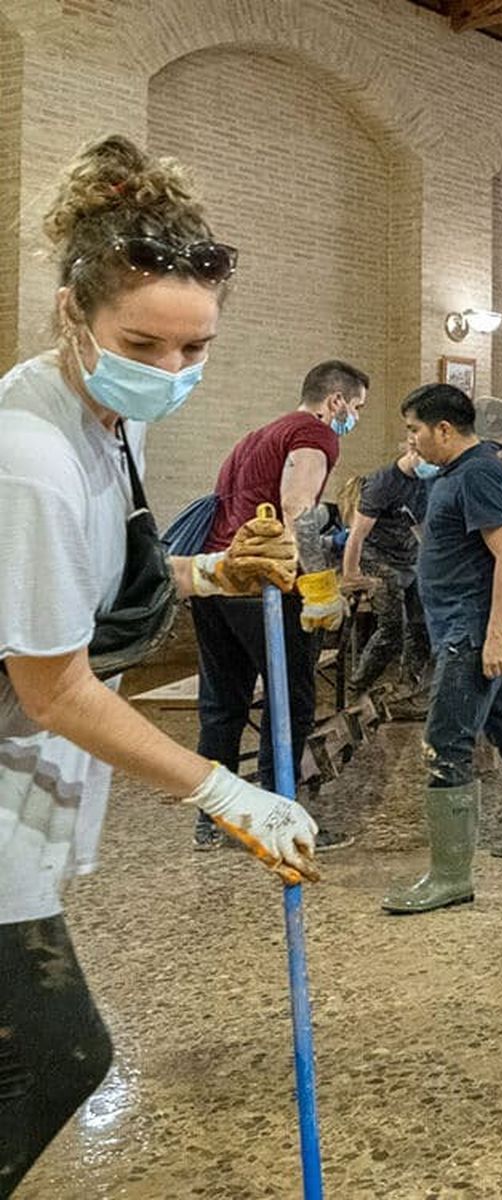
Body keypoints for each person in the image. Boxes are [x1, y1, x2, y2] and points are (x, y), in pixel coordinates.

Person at [0, 134, 319, 1194]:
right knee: (55, 1060)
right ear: (70, 312)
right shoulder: (31, 455)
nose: (173, 373)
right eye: (147, 343)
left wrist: (216, 570)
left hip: (20, 784)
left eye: (196, 349)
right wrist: (228, 791)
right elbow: (54, 686)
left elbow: (100, 577)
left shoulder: (99, 422)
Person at [381, 384, 502, 914]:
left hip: (472, 633)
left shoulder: (480, 472)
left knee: (446, 741)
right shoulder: (457, 474)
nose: (412, 442)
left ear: (444, 429)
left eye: (416, 430)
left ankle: (449, 877)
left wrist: (492, 635)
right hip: (464, 628)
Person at [190, 359, 367, 851]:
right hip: (265, 590)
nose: (352, 417)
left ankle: (213, 822)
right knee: (290, 703)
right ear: (336, 401)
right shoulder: (314, 433)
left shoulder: (255, 438)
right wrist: (318, 585)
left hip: (218, 580)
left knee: (223, 707)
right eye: (355, 408)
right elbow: (296, 507)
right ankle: (277, 819)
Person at [342, 445, 433, 700]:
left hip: (410, 556)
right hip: (377, 558)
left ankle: (408, 689)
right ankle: (357, 691)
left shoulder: (428, 481)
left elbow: (424, 530)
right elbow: (356, 536)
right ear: (413, 450)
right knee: (392, 629)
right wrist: (350, 575)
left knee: (422, 625)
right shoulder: (383, 483)